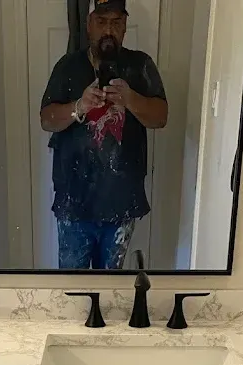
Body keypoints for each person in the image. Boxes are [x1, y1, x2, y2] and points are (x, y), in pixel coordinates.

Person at [40, 0, 168, 270]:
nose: (108, 30)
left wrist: (131, 99)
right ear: (89, 26)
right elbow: (47, 120)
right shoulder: (68, 66)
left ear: (124, 28)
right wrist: (79, 106)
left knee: (110, 287)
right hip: (73, 202)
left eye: (116, 22)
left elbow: (160, 117)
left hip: (121, 201)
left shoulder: (140, 65)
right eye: (101, 21)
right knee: (72, 290)